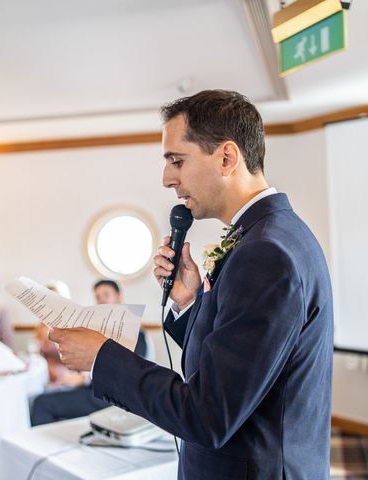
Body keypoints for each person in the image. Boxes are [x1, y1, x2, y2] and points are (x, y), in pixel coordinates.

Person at [50, 90, 333, 479]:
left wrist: (103, 356)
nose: (167, 178)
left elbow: (209, 414)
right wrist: (188, 304)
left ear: (227, 158)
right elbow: (240, 361)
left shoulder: (265, 253)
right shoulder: (273, 234)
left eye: (176, 160)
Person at [30, 279, 151, 426]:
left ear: (119, 297)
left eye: (106, 295)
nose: (101, 300)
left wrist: (84, 380)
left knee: (41, 403)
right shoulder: (98, 330)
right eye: (98, 297)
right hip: (94, 390)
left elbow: (127, 372)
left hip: (111, 397)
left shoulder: (135, 333)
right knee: (44, 394)